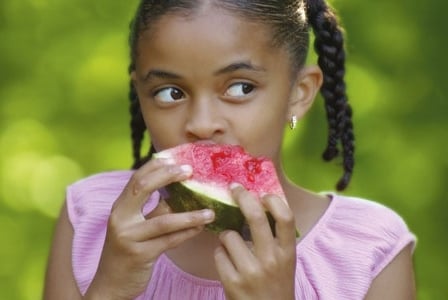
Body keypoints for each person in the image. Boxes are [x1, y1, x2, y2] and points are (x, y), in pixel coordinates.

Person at [43, 0, 416, 299]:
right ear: (141, 96)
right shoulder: (90, 216)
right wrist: (110, 288)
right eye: (170, 93)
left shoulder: (368, 251)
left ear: (299, 94)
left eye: (240, 88)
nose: (202, 123)